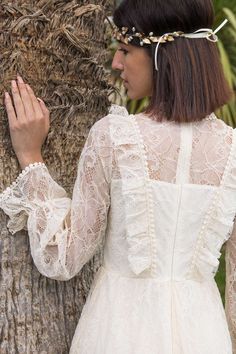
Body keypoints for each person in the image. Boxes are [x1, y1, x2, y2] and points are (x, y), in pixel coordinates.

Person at [0, 0, 235, 353]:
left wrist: (31, 157)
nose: (116, 63)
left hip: (118, 331)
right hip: (205, 335)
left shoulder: (116, 138)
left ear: (160, 55)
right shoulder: (233, 153)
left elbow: (62, 257)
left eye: (125, 49)